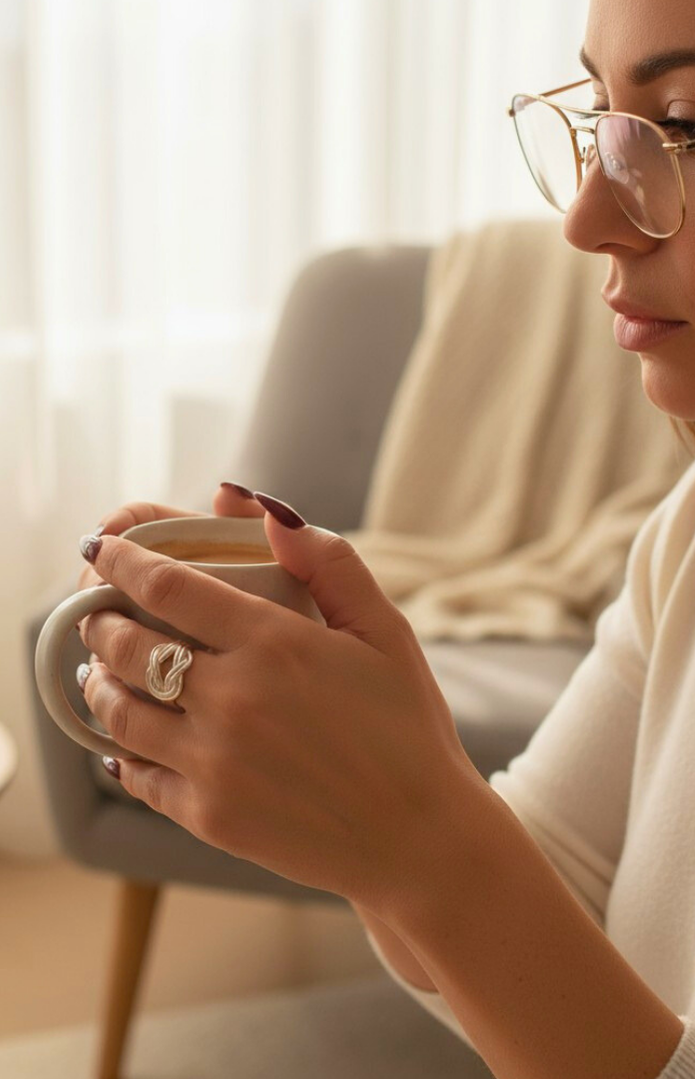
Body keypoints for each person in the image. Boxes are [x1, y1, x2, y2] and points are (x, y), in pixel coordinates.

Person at [71, 1, 695, 1075]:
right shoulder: (679, 538)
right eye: (601, 119)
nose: (586, 216)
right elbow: (544, 950)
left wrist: (416, 835)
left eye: (679, 122)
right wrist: (377, 767)